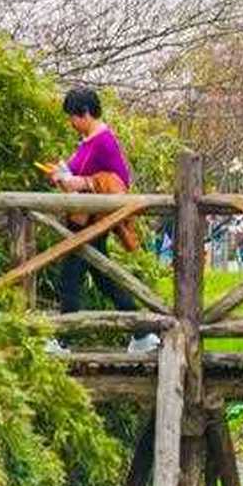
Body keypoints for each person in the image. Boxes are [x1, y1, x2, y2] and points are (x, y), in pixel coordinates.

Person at [47, 87, 156, 354]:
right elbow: (76, 170)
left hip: (94, 220)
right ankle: (143, 334)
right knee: (104, 276)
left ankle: (64, 339)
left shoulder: (103, 141)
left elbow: (118, 182)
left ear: (84, 113)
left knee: (70, 277)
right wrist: (62, 174)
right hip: (87, 221)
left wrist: (76, 180)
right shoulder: (88, 141)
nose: (71, 123)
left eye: (73, 117)